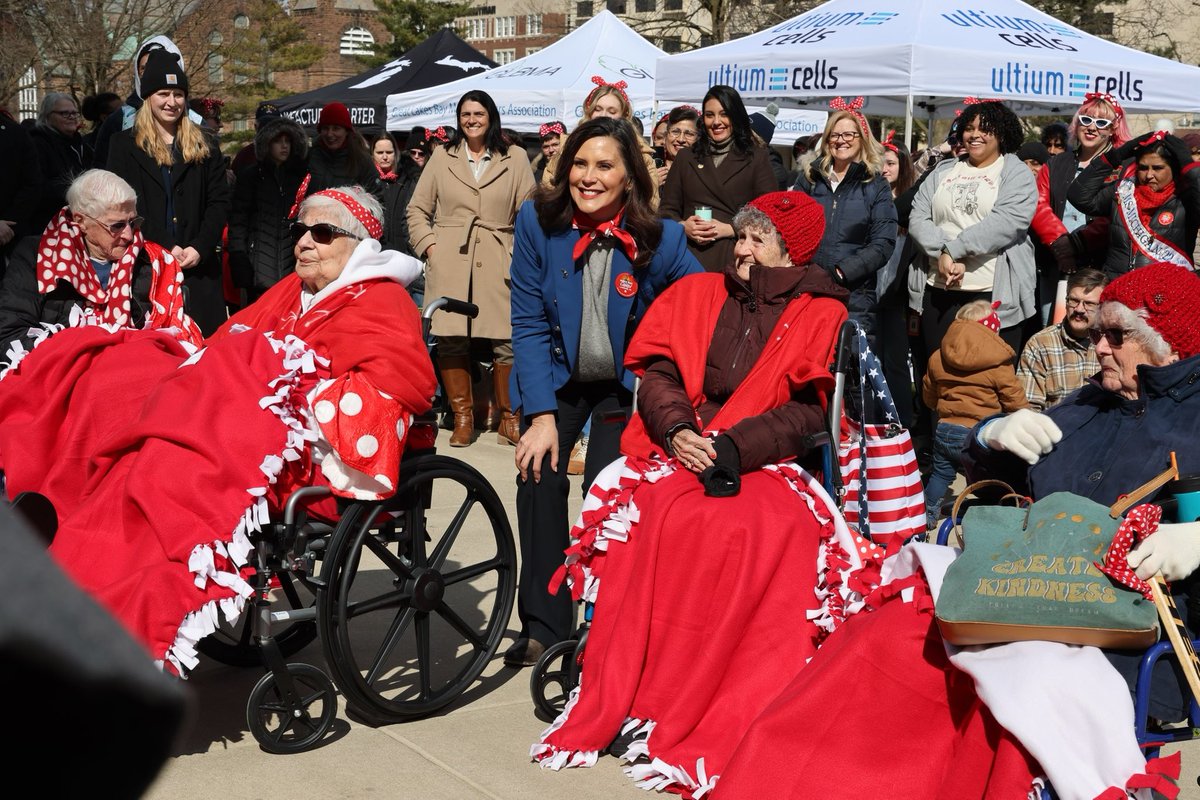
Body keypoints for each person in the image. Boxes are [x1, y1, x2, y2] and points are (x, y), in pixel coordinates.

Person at [715, 261, 1200, 800]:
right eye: (1100, 333)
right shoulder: (1087, 403)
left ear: (1168, 345)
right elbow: (999, 488)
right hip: (1018, 589)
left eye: (1117, 335)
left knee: (1008, 690)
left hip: (1115, 625)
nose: (1100, 347)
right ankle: (808, 778)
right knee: (889, 633)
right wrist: (989, 437)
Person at [0, 185, 435, 676]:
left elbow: (406, 382)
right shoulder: (295, 288)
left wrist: (279, 376)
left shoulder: (381, 298)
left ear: (359, 243)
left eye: (322, 232)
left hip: (298, 446)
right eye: (300, 231)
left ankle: (114, 581)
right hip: (240, 407)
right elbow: (227, 341)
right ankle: (59, 507)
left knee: (172, 457)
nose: (304, 243)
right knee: (119, 368)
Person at [531, 191, 877, 798]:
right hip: (681, 439)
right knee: (647, 513)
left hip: (765, 458)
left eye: (755, 239)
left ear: (790, 250)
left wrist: (731, 449)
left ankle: (714, 689)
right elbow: (659, 373)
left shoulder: (823, 313)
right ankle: (636, 689)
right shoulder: (698, 294)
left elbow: (808, 413)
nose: (738, 249)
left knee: (744, 529)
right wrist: (679, 429)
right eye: (738, 236)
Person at [506, 117, 701, 668]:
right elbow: (527, 320)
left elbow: (695, 306)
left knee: (607, 492)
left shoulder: (660, 237)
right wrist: (540, 414)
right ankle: (545, 626)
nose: (588, 177)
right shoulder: (536, 222)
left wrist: (662, 373)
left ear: (629, 178)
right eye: (580, 164)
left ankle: (605, 622)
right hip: (560, 379)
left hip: (622, 388)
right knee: (537, 474)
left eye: (605, 166)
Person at [407, 90, 535, 447]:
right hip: (450, 257)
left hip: (498, 255)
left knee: (507, 341)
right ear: (458, 118)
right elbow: (417, 210)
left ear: (491, 116)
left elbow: (529, 213)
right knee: (450, 340)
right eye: (465, 114)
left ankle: (510, 417)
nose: (472, 120)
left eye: (479, 113)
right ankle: (463, 418)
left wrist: (520, 255)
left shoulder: (516, 157)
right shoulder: (441, 157)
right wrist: (431, 247)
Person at [0, 169, 198, 357]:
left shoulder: (152, 260)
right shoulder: (37, 256)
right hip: (65, 373)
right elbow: (10, 336)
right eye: (117, 225)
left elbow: (176, 333)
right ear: (81, 222)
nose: (129, 235)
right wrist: (89, 352)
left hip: (137, 368)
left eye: (133, 222)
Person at [105, 49, 231, 336]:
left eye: (178, 94)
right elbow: (122, 207)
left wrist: (199, 247)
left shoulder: (205, 144)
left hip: (199, 270)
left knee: (205, 354)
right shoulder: (123, 145)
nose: (171, 102)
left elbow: (219, 201)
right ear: (149, 97)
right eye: (163, 94)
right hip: (147, 266)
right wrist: (165, 246)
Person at [909, 100, 1038, 355]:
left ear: (1001, 133)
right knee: (937, 375)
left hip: (991, 295)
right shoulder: (942, 171)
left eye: (985, 128)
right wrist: (944, 254)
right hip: (938, 288)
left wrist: (954, 250)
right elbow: (918, 217)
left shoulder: (1016, 173)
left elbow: (1006, 222)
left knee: (987, 381)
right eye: (969, 128)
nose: (975, 134)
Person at [793, 97, 898, 358]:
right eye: (834, 135)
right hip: (809, 288)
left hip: (855, 296)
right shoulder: (809, 179)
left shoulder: (876, 185)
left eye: (849, 134)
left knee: (849, 373)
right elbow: (790, 228)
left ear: (862, 138)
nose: (841, 140)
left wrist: (842, 271)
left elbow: (883, 243)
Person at [921, 300, 1027, 527]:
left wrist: (936, 406)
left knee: (940, 474)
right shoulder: (997, 362)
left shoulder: (938, 356)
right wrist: (1023, 415)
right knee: (992, 477)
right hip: (978, 435)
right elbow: (1013, 397)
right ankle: (992, 516)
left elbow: (929, 393)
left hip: (945, 429)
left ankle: (928, 515)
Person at [1030, 94, 1127, 322]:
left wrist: (1075, 245)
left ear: (1113, 129)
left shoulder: (1122, 167)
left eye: (1101, 123)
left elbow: (1115, 214)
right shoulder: (1057, 162)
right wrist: (1060, 245)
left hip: (1099, 265)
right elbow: (1038, 204)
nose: (1092, 127)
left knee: (1092, 329)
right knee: (1050, 326)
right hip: (1054, 260)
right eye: (1086, 120)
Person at [660, 84, 777, 272]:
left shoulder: (756, 157)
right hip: (687, 258)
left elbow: (770, 211)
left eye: (724, 114)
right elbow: (666, 211)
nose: (716, 122)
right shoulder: (686, 157)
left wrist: (731, 228)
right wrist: (683, 226)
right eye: (709, 115)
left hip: (734, 259)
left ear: (736, 116)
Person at [1067, 129, 1200, 277]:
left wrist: (1189, 166)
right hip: (1118, 286)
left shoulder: (1186, 197)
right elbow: (1078, 196)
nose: (1149, 175)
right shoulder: (1123, 190)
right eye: (1143, 168)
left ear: (1174, 169)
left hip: (1167, 291)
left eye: (1158, 168)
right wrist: (1115, 156)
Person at [228, 115, 309, 302]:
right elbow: (238, 221)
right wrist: (239, 257)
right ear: (267, 144)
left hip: (293, 265)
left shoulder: (301, 177)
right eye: (278, 141)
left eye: (288, 141)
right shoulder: (251, 176)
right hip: (257, 267)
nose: (284, 146)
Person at [1017, 268, 1107, 411]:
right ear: (1066, 301)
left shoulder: (1114, 344)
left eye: (1089, 304)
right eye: (1074, 301)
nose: (1079, 309)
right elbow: (1028, 409)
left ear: (1103, 307)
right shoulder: (1040, 345)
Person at [29, 93, 93, 236]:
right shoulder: (37, 144)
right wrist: (78, 191)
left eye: (74, 113)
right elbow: (39, 185)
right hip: (51, 225)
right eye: (64, 113)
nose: (71, 117)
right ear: (47, 116)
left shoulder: (82, 145)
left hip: (81, 221)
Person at [301, 102, 383, 202]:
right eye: (325, 128)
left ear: (346, 131)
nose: (330, 134)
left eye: (336, 128)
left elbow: (377, 198)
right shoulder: (309, 156)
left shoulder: (361, 160)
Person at [654, 104, 699, 186]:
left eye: (689, 134)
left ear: (698, 138)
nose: (681, 139)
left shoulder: (703, 171)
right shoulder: (650, 167)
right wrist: (651, 186)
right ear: (666, 135)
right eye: (675, 132)